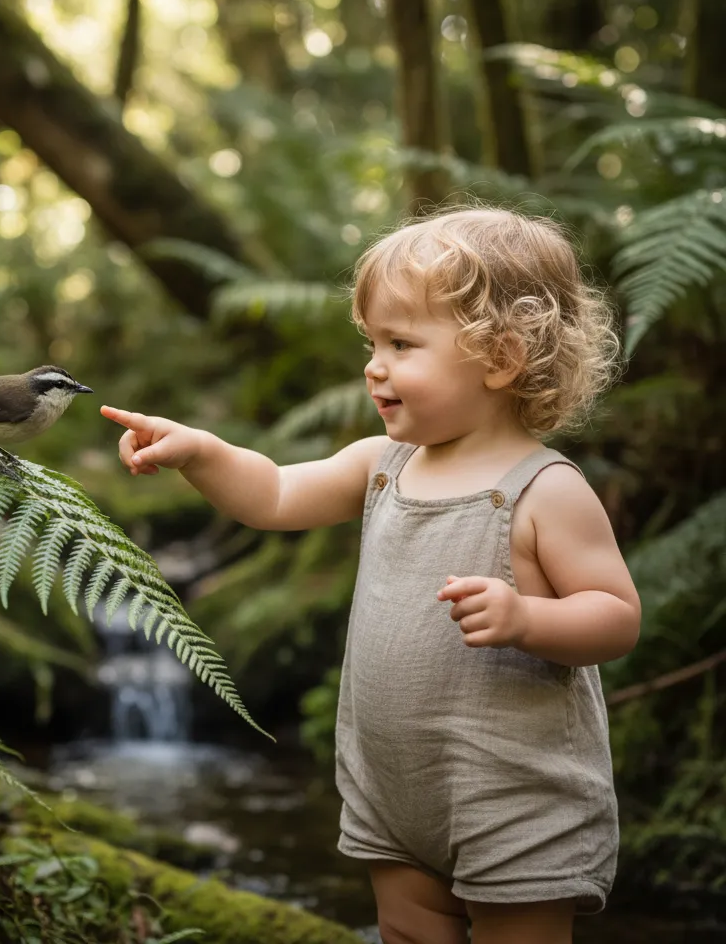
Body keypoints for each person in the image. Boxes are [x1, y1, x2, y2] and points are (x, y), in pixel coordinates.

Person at [101, 207, 641, 944]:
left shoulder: (543, 489)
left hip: (514, 795)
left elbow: (616, 614)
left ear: (502, 357)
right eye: (372, 342)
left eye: (401, 343)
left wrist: (528, 620)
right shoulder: (382, 465)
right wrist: (201, 452)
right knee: (409, 932)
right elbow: (276, 494)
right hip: (395, 789)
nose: (373, 365)